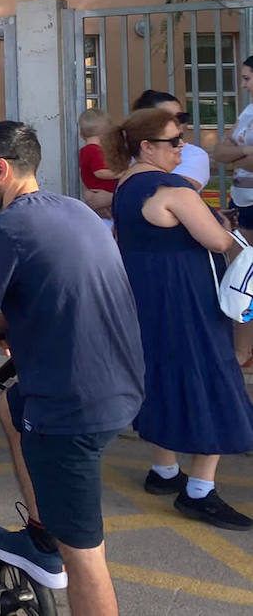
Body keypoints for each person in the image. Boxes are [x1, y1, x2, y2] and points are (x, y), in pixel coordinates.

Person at [0, 121, 144, 616]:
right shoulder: (72, 210)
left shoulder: (6, 228)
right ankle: (40, 536)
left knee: (86, 559)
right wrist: (7, 324)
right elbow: (59, 290)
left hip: (71, 407)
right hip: (121, 384)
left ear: (2, 169)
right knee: (12, 406)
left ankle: (56, 550)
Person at [106, 107, 253, 529]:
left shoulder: (126, 184)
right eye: (174, 141)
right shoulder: (174, 188)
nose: (182, 146)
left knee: (163, 375)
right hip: (188, 297)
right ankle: (200, 491)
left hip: (147, 296)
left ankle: (164, 470)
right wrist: (220, 224)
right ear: (147, 146)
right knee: (213, 379)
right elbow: (218, 239)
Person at [132, 89, 210, 189]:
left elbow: (174, 190)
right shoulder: (124, 153)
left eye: (180, 117)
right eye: (166, 118)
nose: (176, 123)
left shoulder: (194, 154)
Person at [211, 56, 253, 228]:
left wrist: (232, 155)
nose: (243, 85)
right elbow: (219, 152)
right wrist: (246, 151)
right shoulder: (248, 111)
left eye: (247, 79)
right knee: (241, 254)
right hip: (239, 197)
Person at [77, 109, 119, 220]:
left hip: (95, 192)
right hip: (101, 191)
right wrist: (120, 173)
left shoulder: (86, 150)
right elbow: (100, 172)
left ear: (82, 135)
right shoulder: (94, 150)